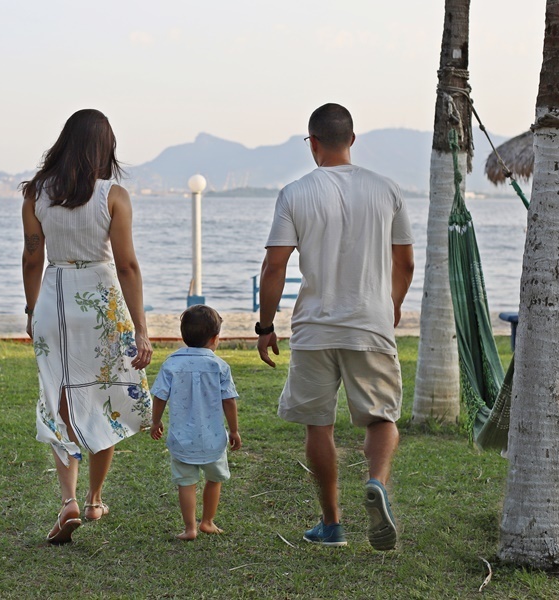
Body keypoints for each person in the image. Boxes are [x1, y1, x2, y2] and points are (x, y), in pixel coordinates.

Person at [256, 103, 415, 550]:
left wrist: (265, 324)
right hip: (371, 323)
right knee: (381, 418)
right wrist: (393, 304)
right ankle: (376, 483)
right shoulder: (388, 190)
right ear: (352, 140)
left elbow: (274, 267)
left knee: (318, 426)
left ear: (313, 142)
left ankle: (332, 524)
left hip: (314, 328)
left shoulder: (294, 192)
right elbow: (405, 262)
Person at [20, 108, 153, 544]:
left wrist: (30, 308)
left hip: (54, 298)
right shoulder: (113, 196)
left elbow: (32, 257)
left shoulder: (37, 193)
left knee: (58, 397)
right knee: (104, 395)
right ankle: (95, 499)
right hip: (101, 299)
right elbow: (128, 265)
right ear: (105, 147)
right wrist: (141, 328)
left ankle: (68, 500)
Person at [149, 304, 241, 541]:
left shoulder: (172, 363)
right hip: (213, 439)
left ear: (183, 336)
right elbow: (229, 401)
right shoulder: (219, 366)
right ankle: (207, 522)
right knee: (214, 480)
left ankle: (190, 528)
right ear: (215, 338)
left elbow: (159, 395)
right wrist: (234, 430)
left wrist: (156, 421)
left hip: (181, 438)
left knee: (186, 483)